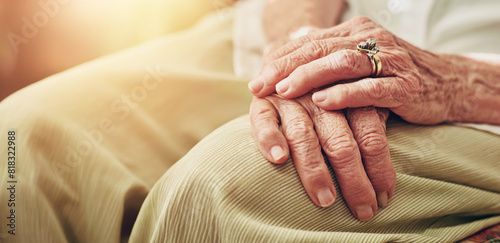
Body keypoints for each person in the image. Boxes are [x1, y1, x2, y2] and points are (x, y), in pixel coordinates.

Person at [0, 0, 499, 242]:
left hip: (478, 89)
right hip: (301, 29)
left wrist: (460, 81)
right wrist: (299, 50)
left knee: (218, 190)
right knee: (18, 148)